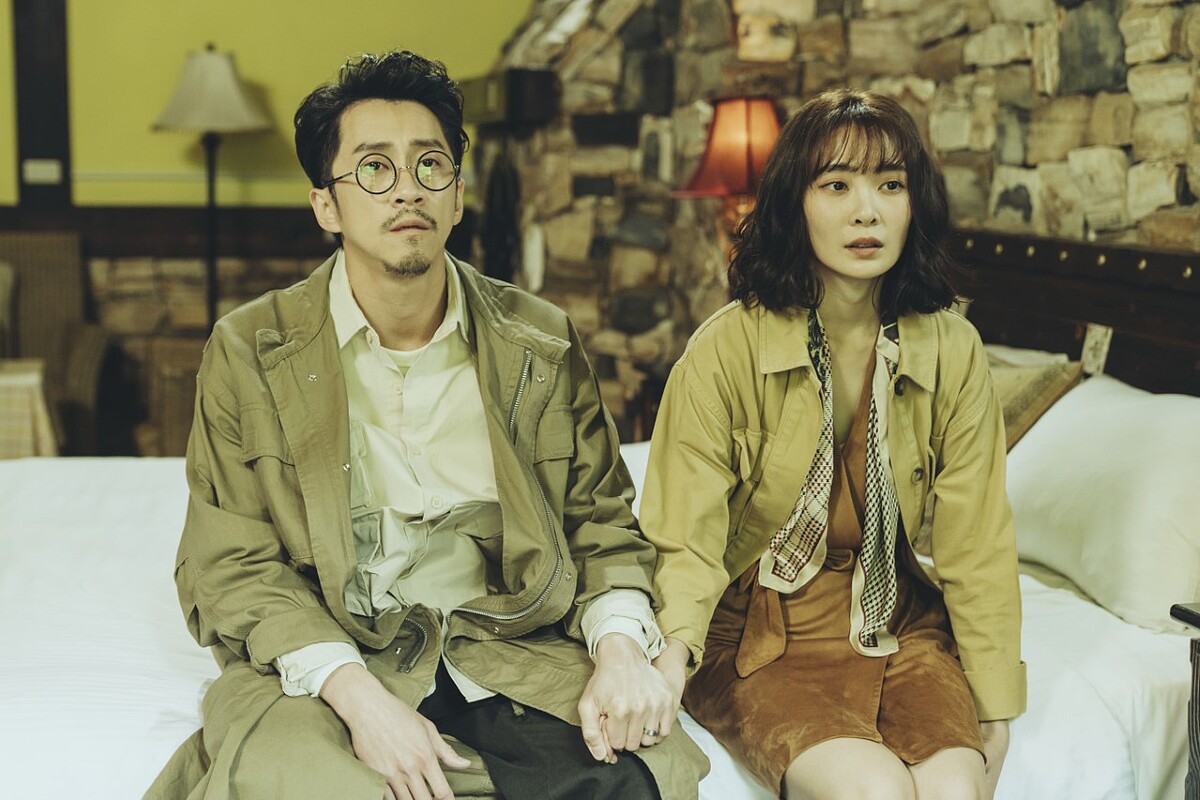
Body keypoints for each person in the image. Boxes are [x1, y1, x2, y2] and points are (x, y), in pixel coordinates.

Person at [145, 50, 706, 800]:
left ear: (458, 195)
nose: (408, 188)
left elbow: (599, 525)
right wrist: (360, 700)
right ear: (326, 206)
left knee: (632, 774)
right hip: (339, 651)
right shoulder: (250, 350)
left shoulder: (539, 340)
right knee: (302, 783)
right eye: (374, 168)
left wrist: (620, 650)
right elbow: (233, 564)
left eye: (430, 165)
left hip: (511, 643)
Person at [641, 89, 1025, 800]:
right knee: (874, 791)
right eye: (837, 186)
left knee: (955, 788)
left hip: (896, 622)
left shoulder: (954, 348)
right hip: (760, 637)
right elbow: (685, 535)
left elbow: (977, 540)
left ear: (914, 205)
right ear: (796, 204)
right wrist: (669, 659)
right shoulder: (725, 348)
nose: (866, 212)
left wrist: (996, 708)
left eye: (890, 185)